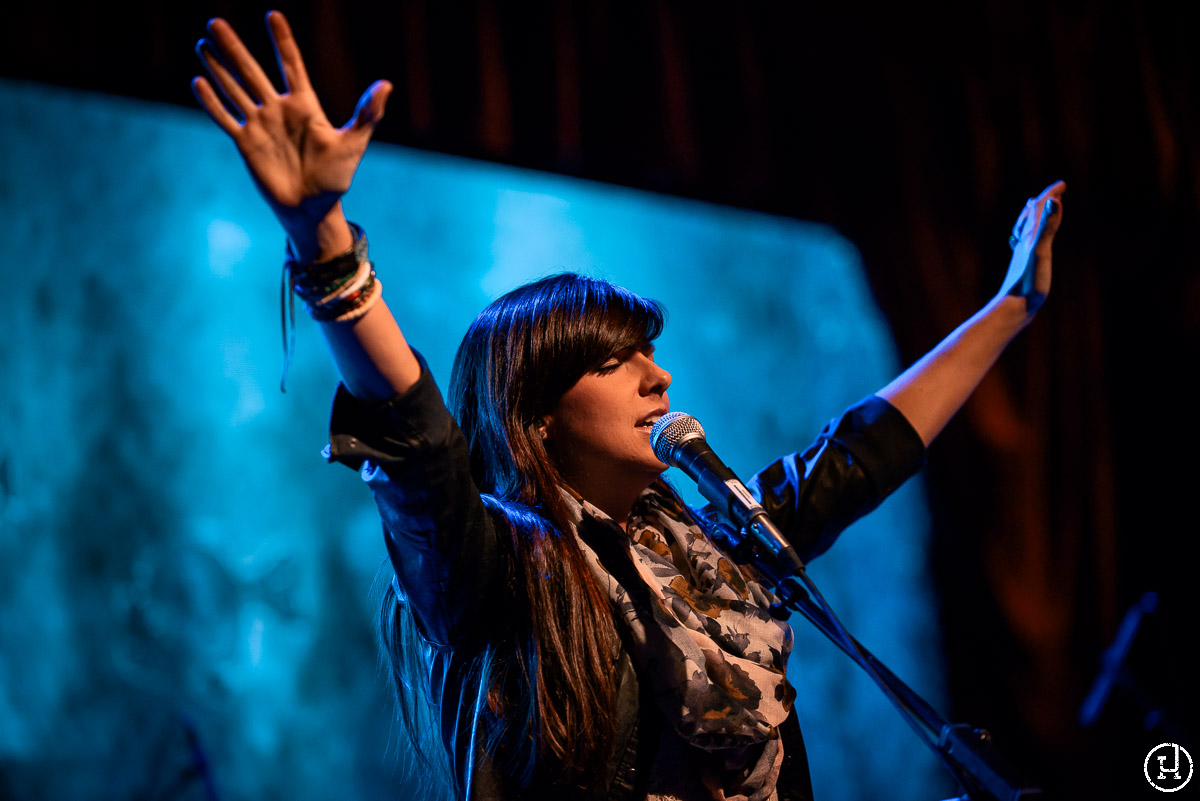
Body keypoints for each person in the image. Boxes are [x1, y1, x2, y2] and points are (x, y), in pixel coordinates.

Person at [192, 12, 1065, 801]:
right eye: (617, 362)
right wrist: (322, 239)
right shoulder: (495, 566)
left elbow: (860, 454)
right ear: (534, 414)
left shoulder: (722, 548)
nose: (659, 379)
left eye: (652, 354)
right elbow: (416, 441)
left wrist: (1009, 307)